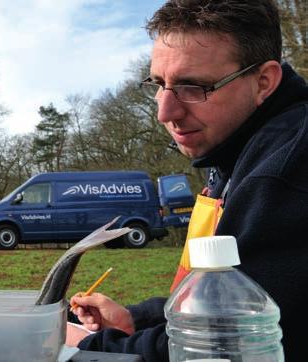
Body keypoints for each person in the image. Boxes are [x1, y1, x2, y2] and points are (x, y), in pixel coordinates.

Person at [67, 0, 308, 361]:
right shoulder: (237, 148)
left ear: (263, 82)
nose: (166, 112)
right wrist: (139, 317)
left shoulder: (284, 171)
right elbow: (227, 296)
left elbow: (229, 337)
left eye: (193, 87)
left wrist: (80, 348)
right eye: (159, 83)